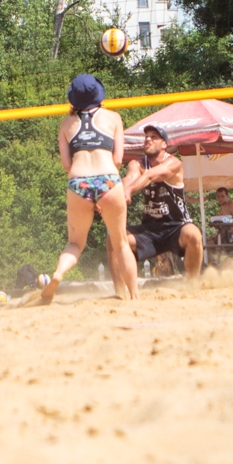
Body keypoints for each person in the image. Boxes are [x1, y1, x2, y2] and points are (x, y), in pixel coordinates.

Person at [39, 75, 138, 304]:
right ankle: (133, 295)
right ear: (98, 95)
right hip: (108, 179)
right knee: (121, 242)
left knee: (75, 244)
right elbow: (118, 159)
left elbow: (66, 165)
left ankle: (58, 274)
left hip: (79, 182)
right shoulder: (113, 118)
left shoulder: (66, 124)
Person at [122, 125, 205, 281]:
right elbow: (130, 179)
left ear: (164, 144)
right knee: (118, 239)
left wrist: (128, 191)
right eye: (146, 136)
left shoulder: (174, 163)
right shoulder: (136, 164)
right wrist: (112, 194)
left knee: (194, 234)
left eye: (154, 137)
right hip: (150, 228)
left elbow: (151, 176)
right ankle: (125, 288)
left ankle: (193, 283)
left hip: (176, 226)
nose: (148, 139)